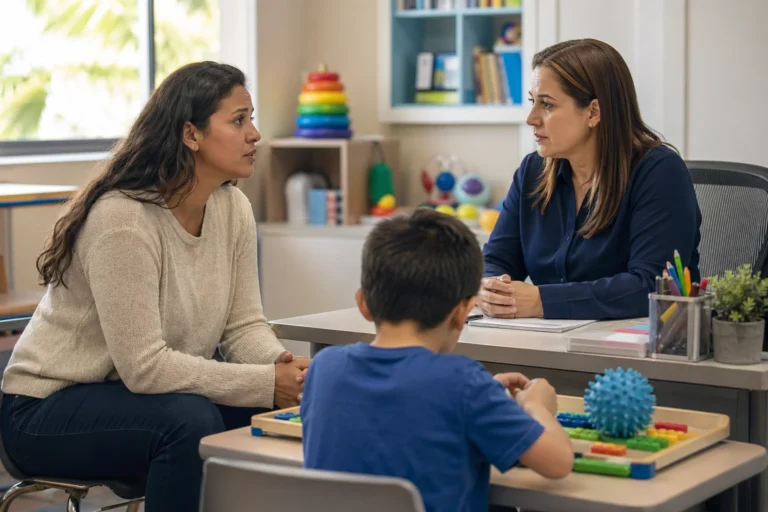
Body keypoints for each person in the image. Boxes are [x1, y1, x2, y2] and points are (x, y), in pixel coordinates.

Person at [0, 62, 308, 511]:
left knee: (268, 414)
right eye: (239, 120)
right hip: (44, 410)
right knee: (190, 421)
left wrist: (283, 370)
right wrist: (265, 381)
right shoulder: (122, 218)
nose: (255, 134)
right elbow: (144, 368)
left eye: (251, 118)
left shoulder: (233, 207)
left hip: (136, 399)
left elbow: (243, 327)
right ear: (191, 134)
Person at [299, 209, 573, 512]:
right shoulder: (463, 383)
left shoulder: (324, 368)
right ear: (462, 313)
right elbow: (558, 463)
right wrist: (536, 406)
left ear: (364, 304)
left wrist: (486, 396)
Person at [479, 39, 702, 321]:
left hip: (636, 349)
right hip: (543, 343)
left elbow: (652, 286)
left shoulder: (659, 172)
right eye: (532, 102)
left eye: (546, 104)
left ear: (593, 112)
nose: (531, 118)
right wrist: (489, 290)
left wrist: (542, 301)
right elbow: (496, 260)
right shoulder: (532, 171)